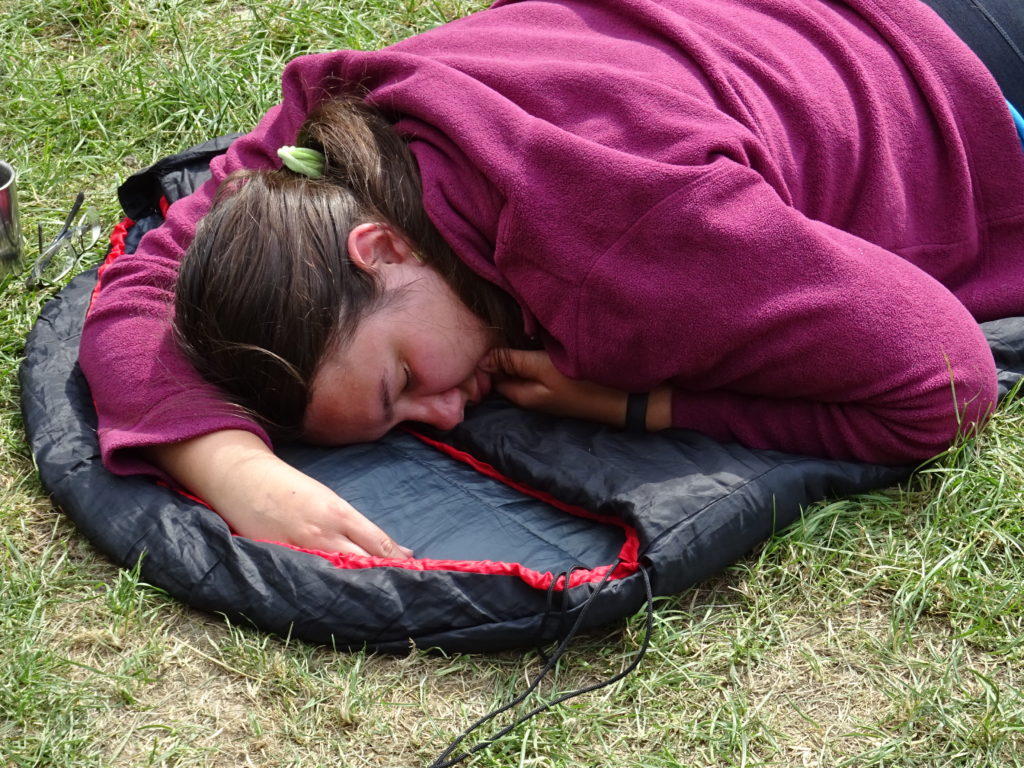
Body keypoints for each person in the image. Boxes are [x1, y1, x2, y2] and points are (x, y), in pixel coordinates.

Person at [79, 0, 1024, 559]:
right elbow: (141, 293)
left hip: (970, 67)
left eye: (404, 381)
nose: (445, 415)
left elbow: (944, 380)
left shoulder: (634, 251)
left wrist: (643, 407)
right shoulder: (333, 141)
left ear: (383, 250)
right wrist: (238, 474)